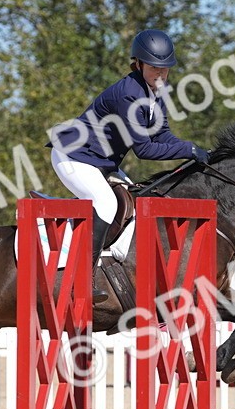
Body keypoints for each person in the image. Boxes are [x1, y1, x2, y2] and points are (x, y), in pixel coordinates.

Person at [48, 28, 211, 295]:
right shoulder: (129, 93)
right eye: (154, 68)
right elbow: (144, 149)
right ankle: (82, 278)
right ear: (138, 64)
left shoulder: (158, 89)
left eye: (165, 68)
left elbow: (162, 134)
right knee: (106, 203)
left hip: (101, 161)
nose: (161, 74)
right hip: (73, 157)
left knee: (135, 202)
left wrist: (194, 149)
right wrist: (188, 149)